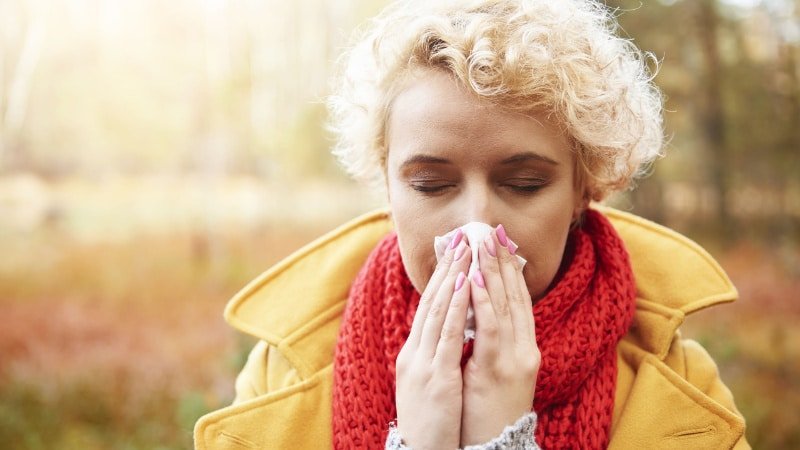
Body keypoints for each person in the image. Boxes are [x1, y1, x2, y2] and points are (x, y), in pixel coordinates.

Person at [194, 0, 749, 448]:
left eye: (524, 183)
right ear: (386, 185)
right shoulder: (283, 371)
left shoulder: (678, 384)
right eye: (431, 185)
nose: (476, 227)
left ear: (585, 188)